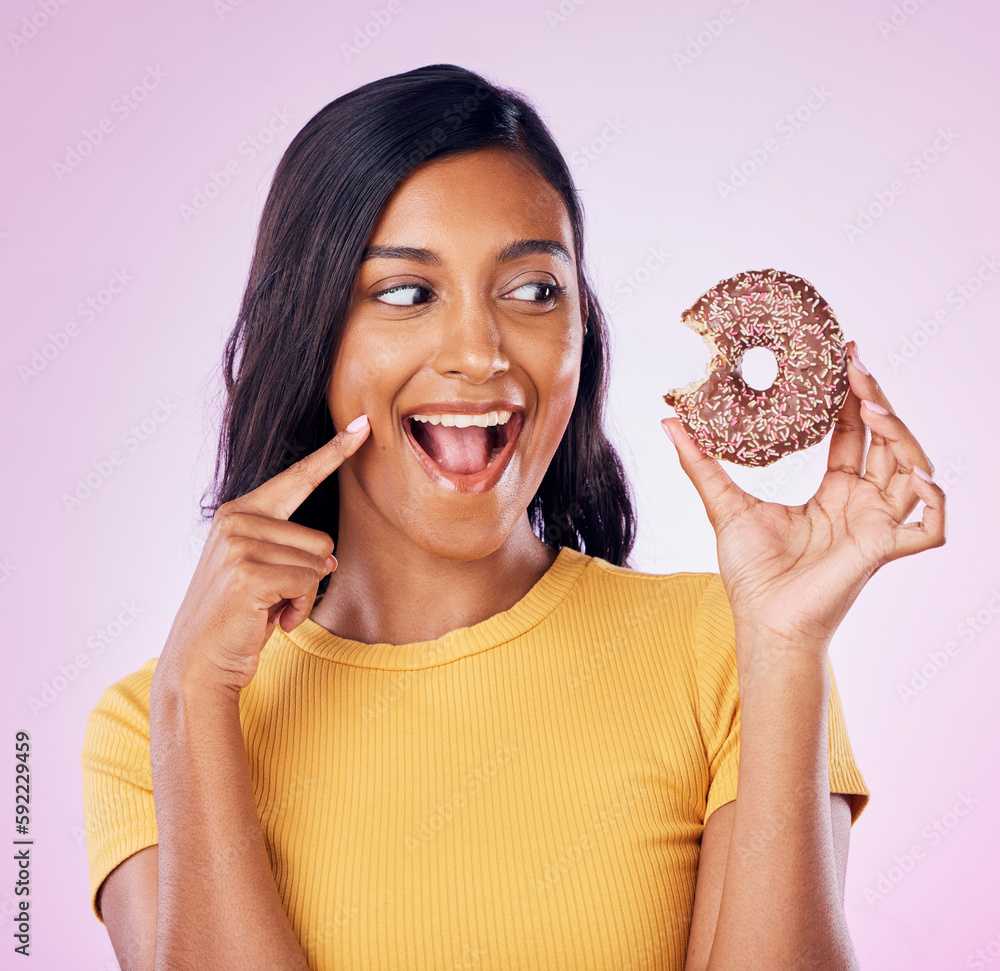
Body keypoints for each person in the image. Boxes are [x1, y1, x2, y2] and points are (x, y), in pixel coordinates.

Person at [81, 63, 945, 971]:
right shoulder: (153, 724)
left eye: (534, 290)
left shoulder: (728, 648)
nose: (479, 353)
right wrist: (194, 700)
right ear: (311, 334)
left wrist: (786, 648)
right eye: (409, 293)